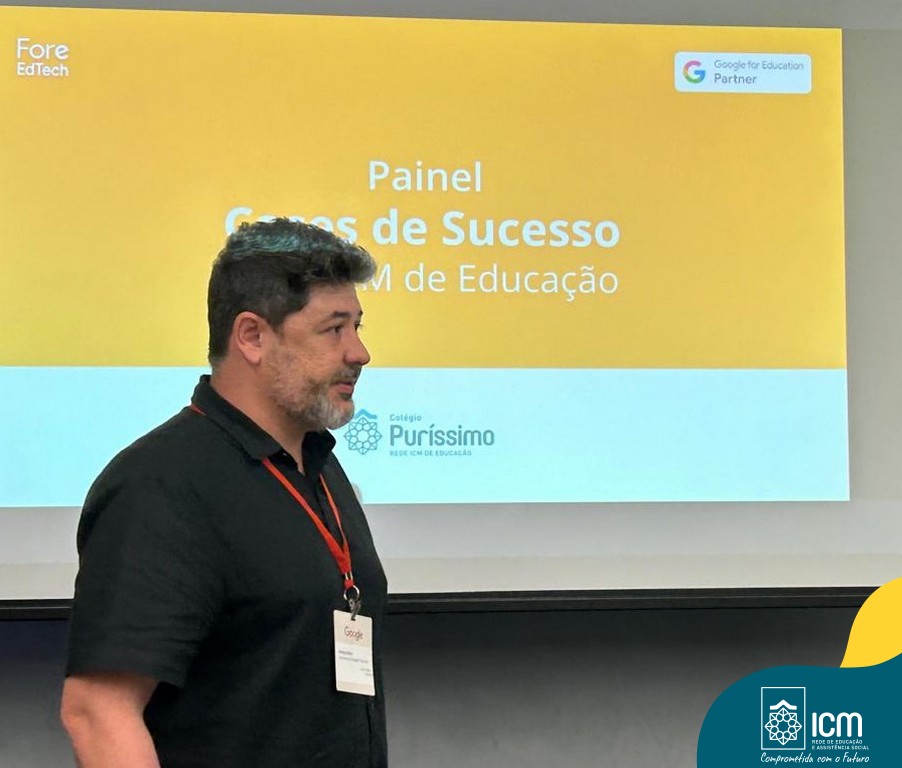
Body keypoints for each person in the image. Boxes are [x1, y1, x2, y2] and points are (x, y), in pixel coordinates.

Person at [60, 218, 388, 768]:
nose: (359, 352)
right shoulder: (162, 484)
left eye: (356, 326)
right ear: (252, 337)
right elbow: (98, 711)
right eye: (334, 329)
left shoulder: (319, 468)